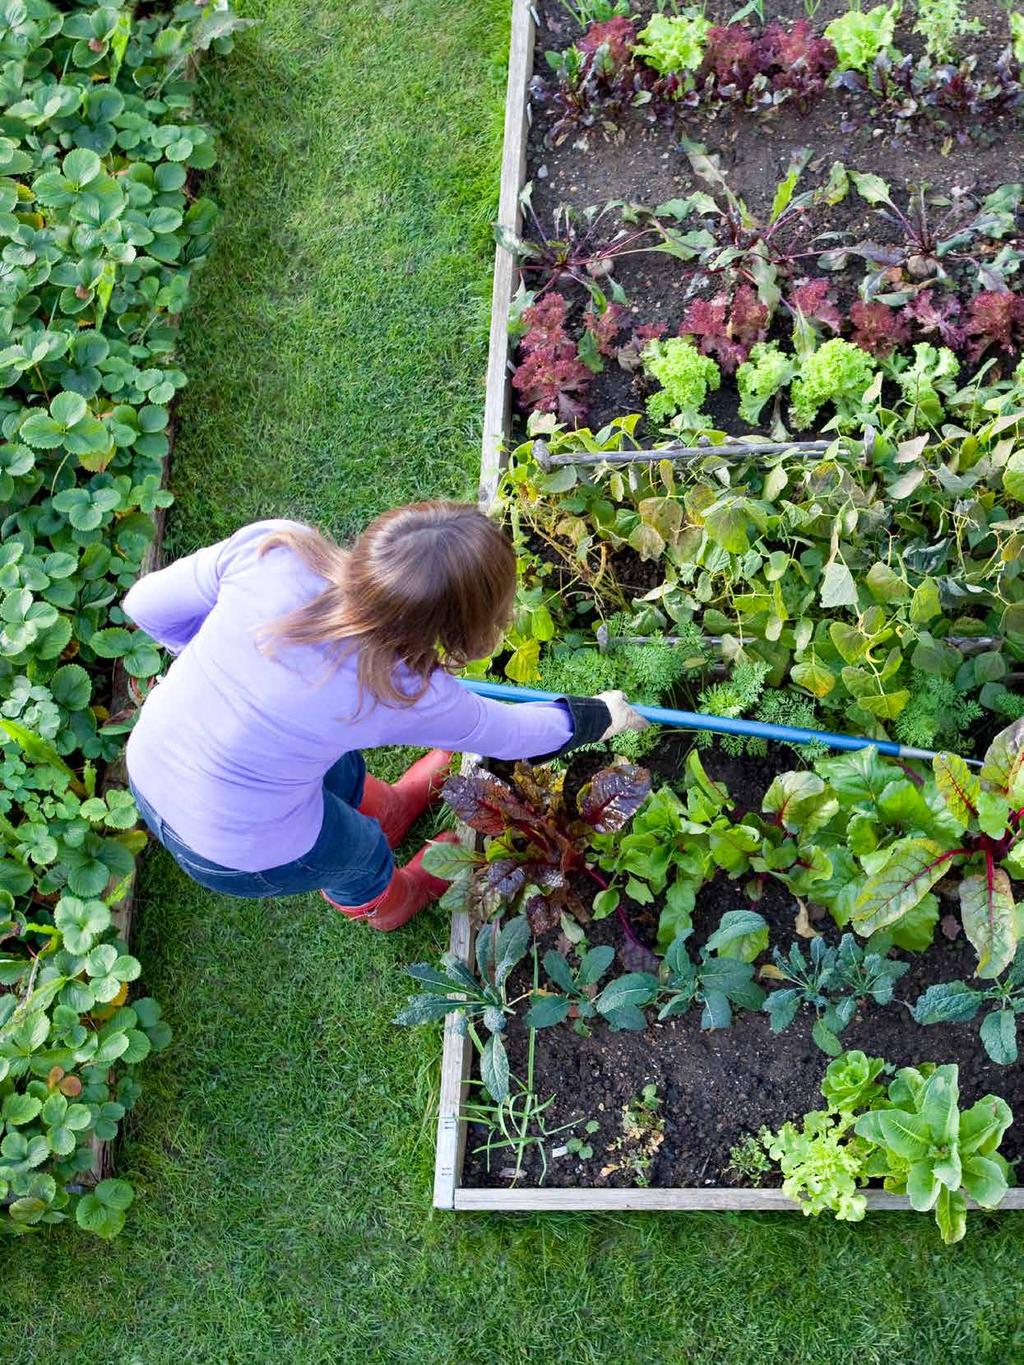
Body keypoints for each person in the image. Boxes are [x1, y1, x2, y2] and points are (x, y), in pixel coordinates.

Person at [123, 502, 647, 931]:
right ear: (463, 626)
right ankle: (394, 902)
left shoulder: (276, 550)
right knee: (357, 850)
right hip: (230, 845)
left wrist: (210, 664)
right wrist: (601, 716)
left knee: (333, 764)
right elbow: (512, 734)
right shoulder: (403, 689)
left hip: (151, 759)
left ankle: (392, 808)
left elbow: (144, 605)